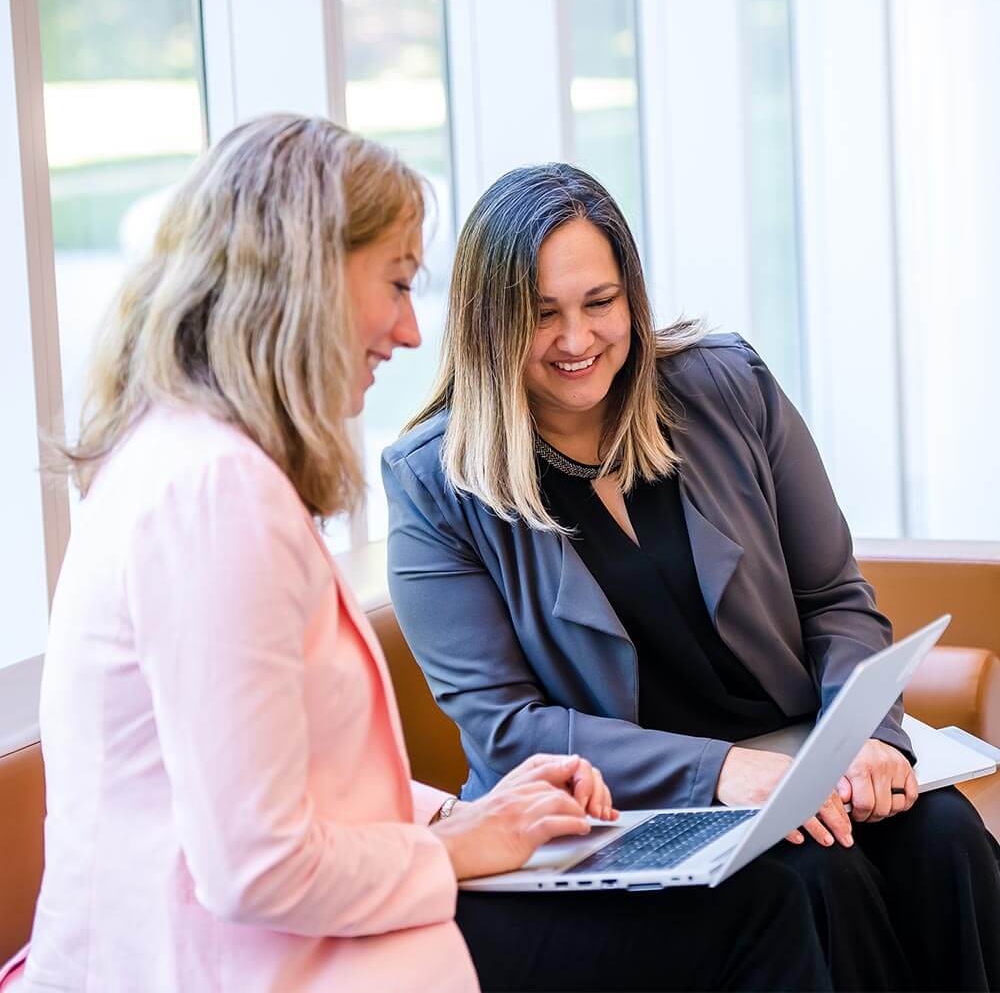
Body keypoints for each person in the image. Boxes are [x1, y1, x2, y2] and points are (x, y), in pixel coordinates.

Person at [0, 117, 833, 993]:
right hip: (222, 963)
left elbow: (285, 784)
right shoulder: (215, 494)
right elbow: (254, 870)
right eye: (396, 285)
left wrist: (476, 809)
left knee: (791, 888)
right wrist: (455, 846)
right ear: (304, 282)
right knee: (757, 911)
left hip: (278, 926)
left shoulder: (187, 458)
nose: (406, 330)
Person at [383, 162, 1000, 991]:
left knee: (947, 841)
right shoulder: (434, 481)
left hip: (799, 764)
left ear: (631, 298)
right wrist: (721, 772)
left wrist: (867, 737)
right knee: (817, 881)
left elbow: (833, 599)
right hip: (628, 814)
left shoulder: (727, 387)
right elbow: (507, 730)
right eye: (540, 317)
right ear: (486, 325)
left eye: (599, 304)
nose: (577, 340)